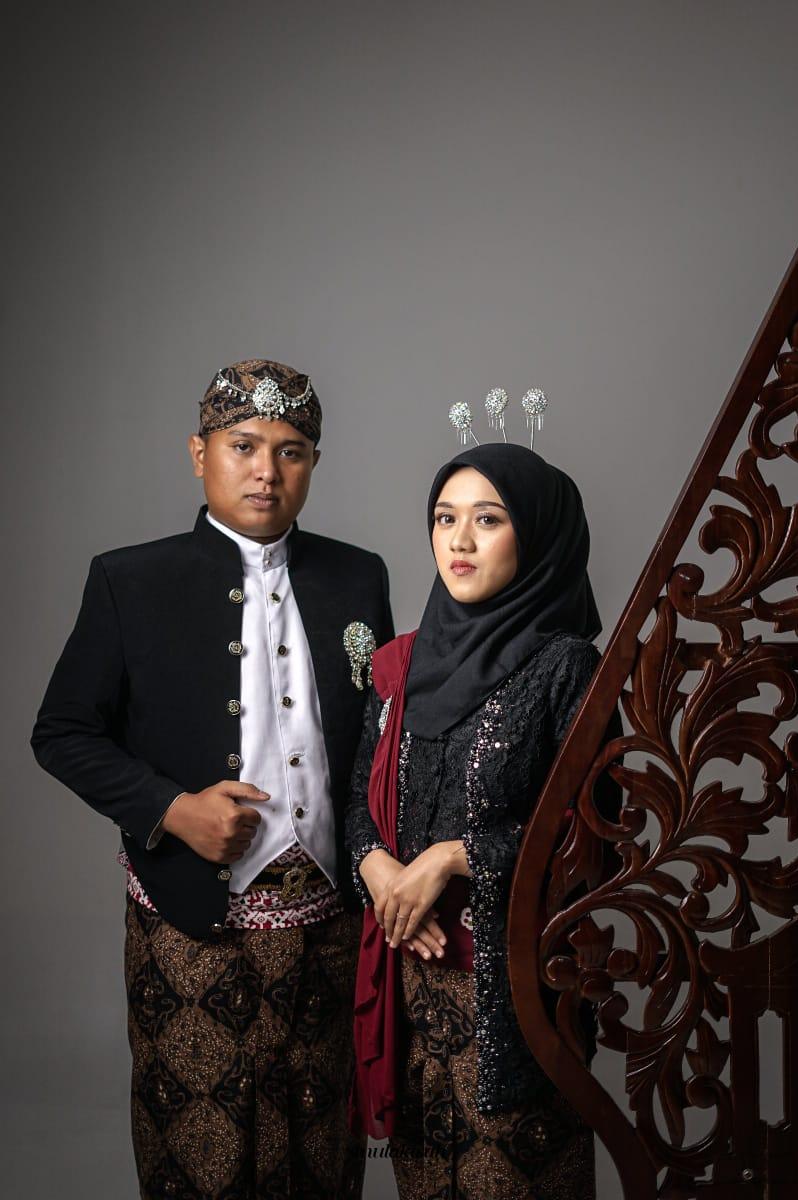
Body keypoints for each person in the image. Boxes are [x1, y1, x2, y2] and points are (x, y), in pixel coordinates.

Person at [32, 358, 394, 1200]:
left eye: (291, 451)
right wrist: (170, 809)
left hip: (330, 930)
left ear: (313, 462)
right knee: (204, 1167)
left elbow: (375, 738)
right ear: (199, 454)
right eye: (244, 446)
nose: (267, 471)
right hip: (191, 930)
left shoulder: (359, 575)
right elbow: (61, 732)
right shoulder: (129, 579)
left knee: (322, 1162)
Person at [345, 442, 620, 1200]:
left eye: (488, 519)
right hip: (411, 993)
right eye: (445, 518)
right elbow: (357, 800)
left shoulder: (568, 668)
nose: (459, 541)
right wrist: (380, 873)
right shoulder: (400, 665)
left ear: (537, 534)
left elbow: (596, 833)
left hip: (517, 995)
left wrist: (450, 858)